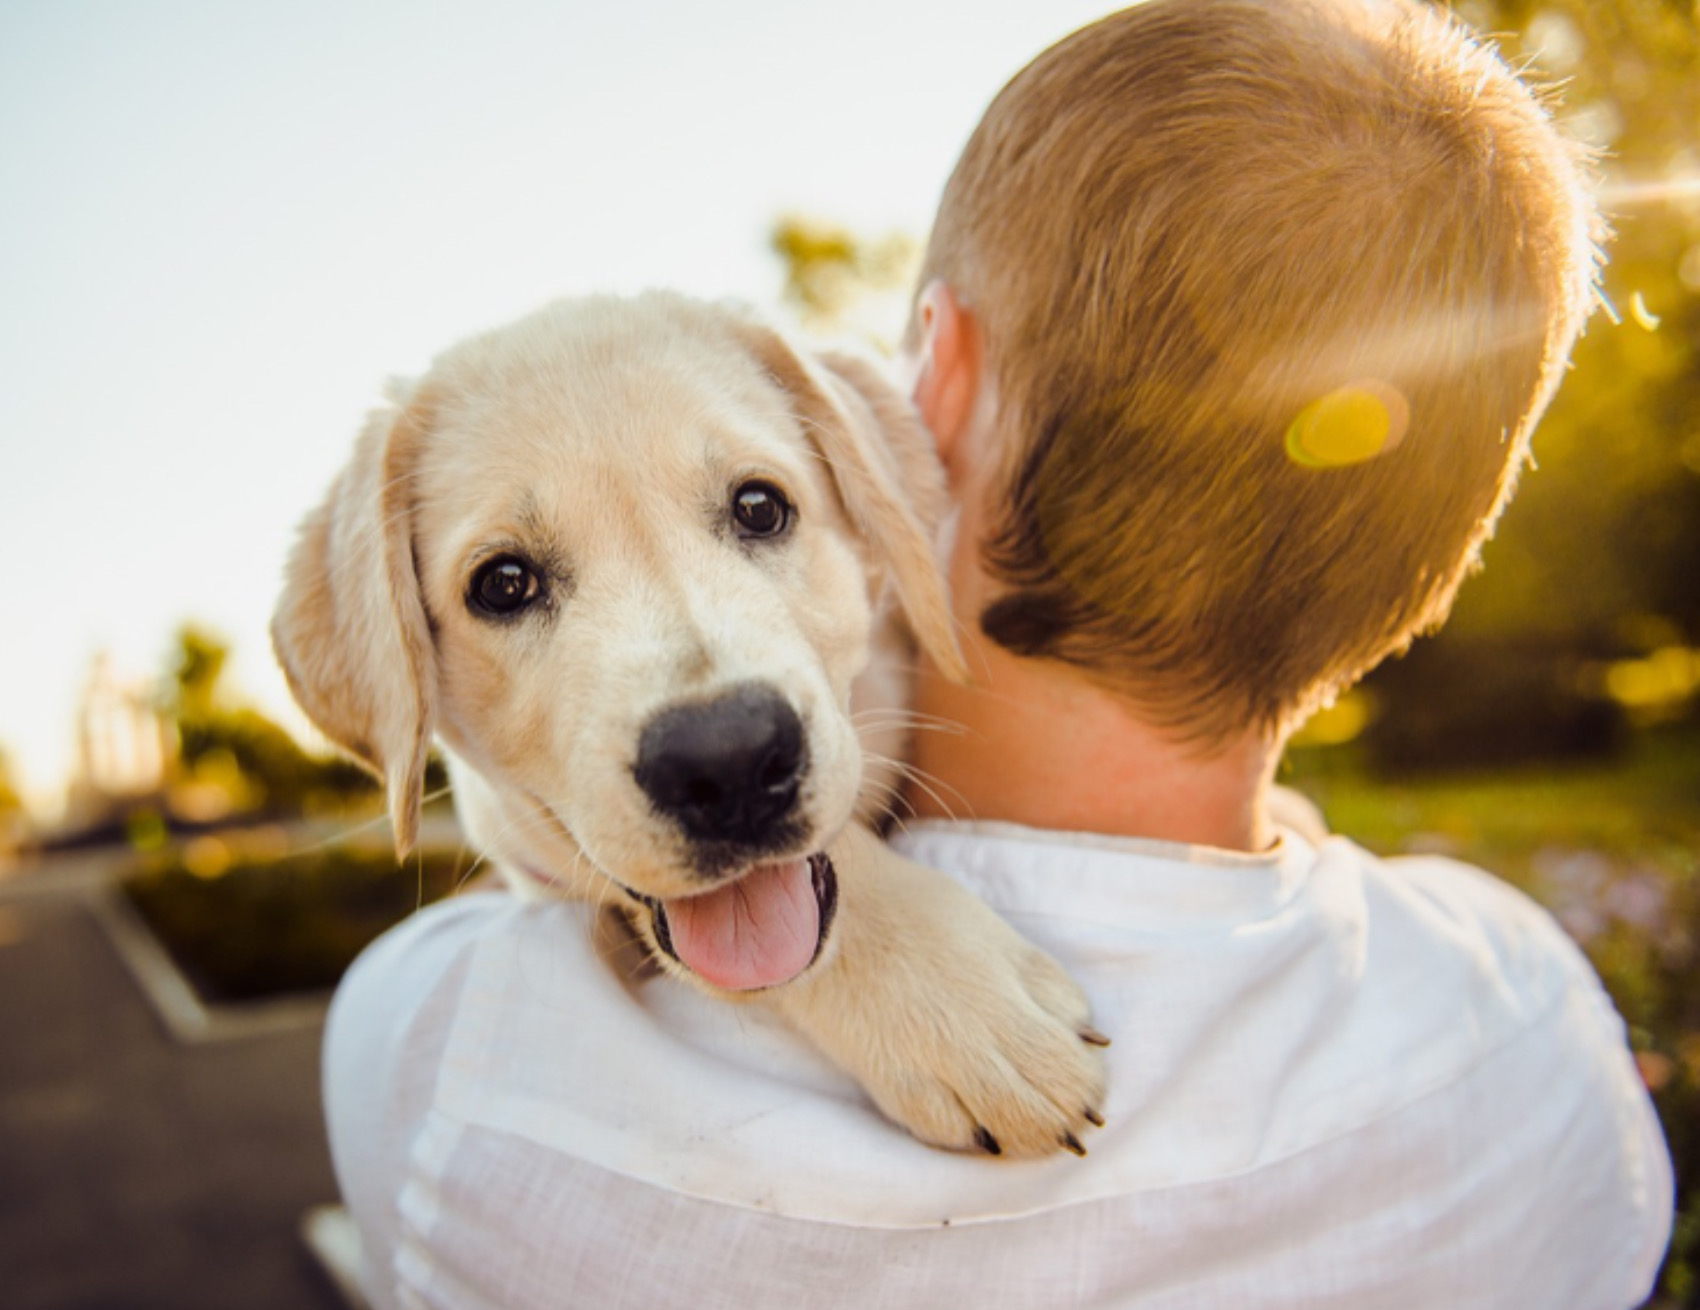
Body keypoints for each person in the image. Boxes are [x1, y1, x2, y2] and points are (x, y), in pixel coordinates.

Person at [322, 1, 1673, 1306]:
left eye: (756, 510)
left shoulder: (448, 1062)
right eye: (510, 582)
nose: (710, 704)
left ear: (933, 390)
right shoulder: (1535, 1023)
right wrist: (856, 923)